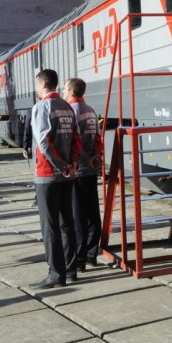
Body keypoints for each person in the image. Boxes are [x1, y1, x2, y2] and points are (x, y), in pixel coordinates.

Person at [31, 69, 81, 288]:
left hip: (48, 174)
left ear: (42, 84)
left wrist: (61, 166)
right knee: (66, 223)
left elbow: (43, 143)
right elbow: (77, 139)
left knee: (50, 226)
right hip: (67, 174)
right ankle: (70, 270)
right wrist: (72, 164)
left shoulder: (41, 107)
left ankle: (55, 274)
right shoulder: (67, 107)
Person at [63, 77, 101, 272]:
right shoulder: (90, 111)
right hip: (91, 168)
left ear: (70, 91)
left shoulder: (71, 111)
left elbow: (72, 141)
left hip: (78, 169)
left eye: (64, 88)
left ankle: (79, 258)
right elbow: (97, 139)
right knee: (92, 212)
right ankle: (92, 254)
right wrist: (95, 158)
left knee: (78, 216)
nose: (63, 90)